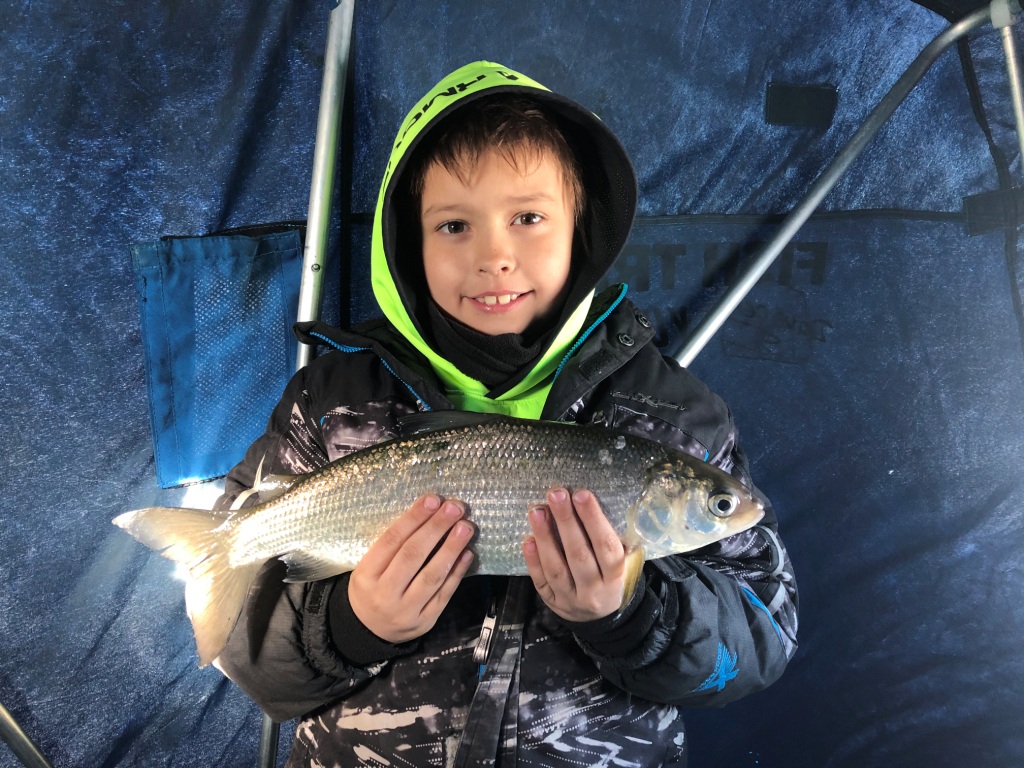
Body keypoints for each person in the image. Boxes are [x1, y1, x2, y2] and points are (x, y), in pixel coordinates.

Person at [215, 60, 799, 767]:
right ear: (408, 243)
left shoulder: (677, 418)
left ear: (580, 225)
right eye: (454, 225)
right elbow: (241, 648)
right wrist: (349, 625)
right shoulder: (326, 406)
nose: (494, 254)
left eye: (528, 217)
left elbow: (763, 639)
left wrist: (633, 616)